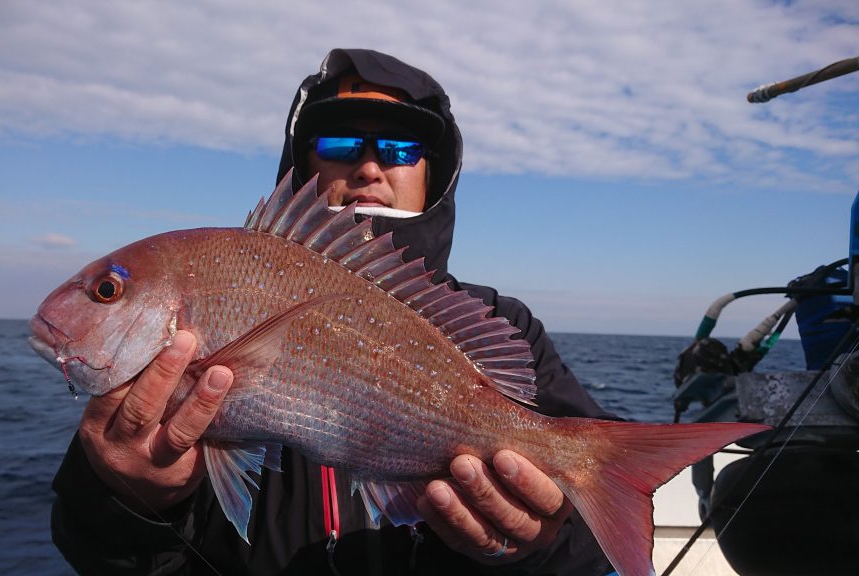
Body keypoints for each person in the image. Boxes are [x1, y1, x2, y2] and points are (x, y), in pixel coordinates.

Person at [51, 48, 615, 575]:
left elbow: (595, 550)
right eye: (341, 144)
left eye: (400, 148)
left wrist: (539, 540)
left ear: (435, 173)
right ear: (303, 163)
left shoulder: (501, 323)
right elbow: (114, 558)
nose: (369, 166)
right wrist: (125, 496)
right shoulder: (148, 382)